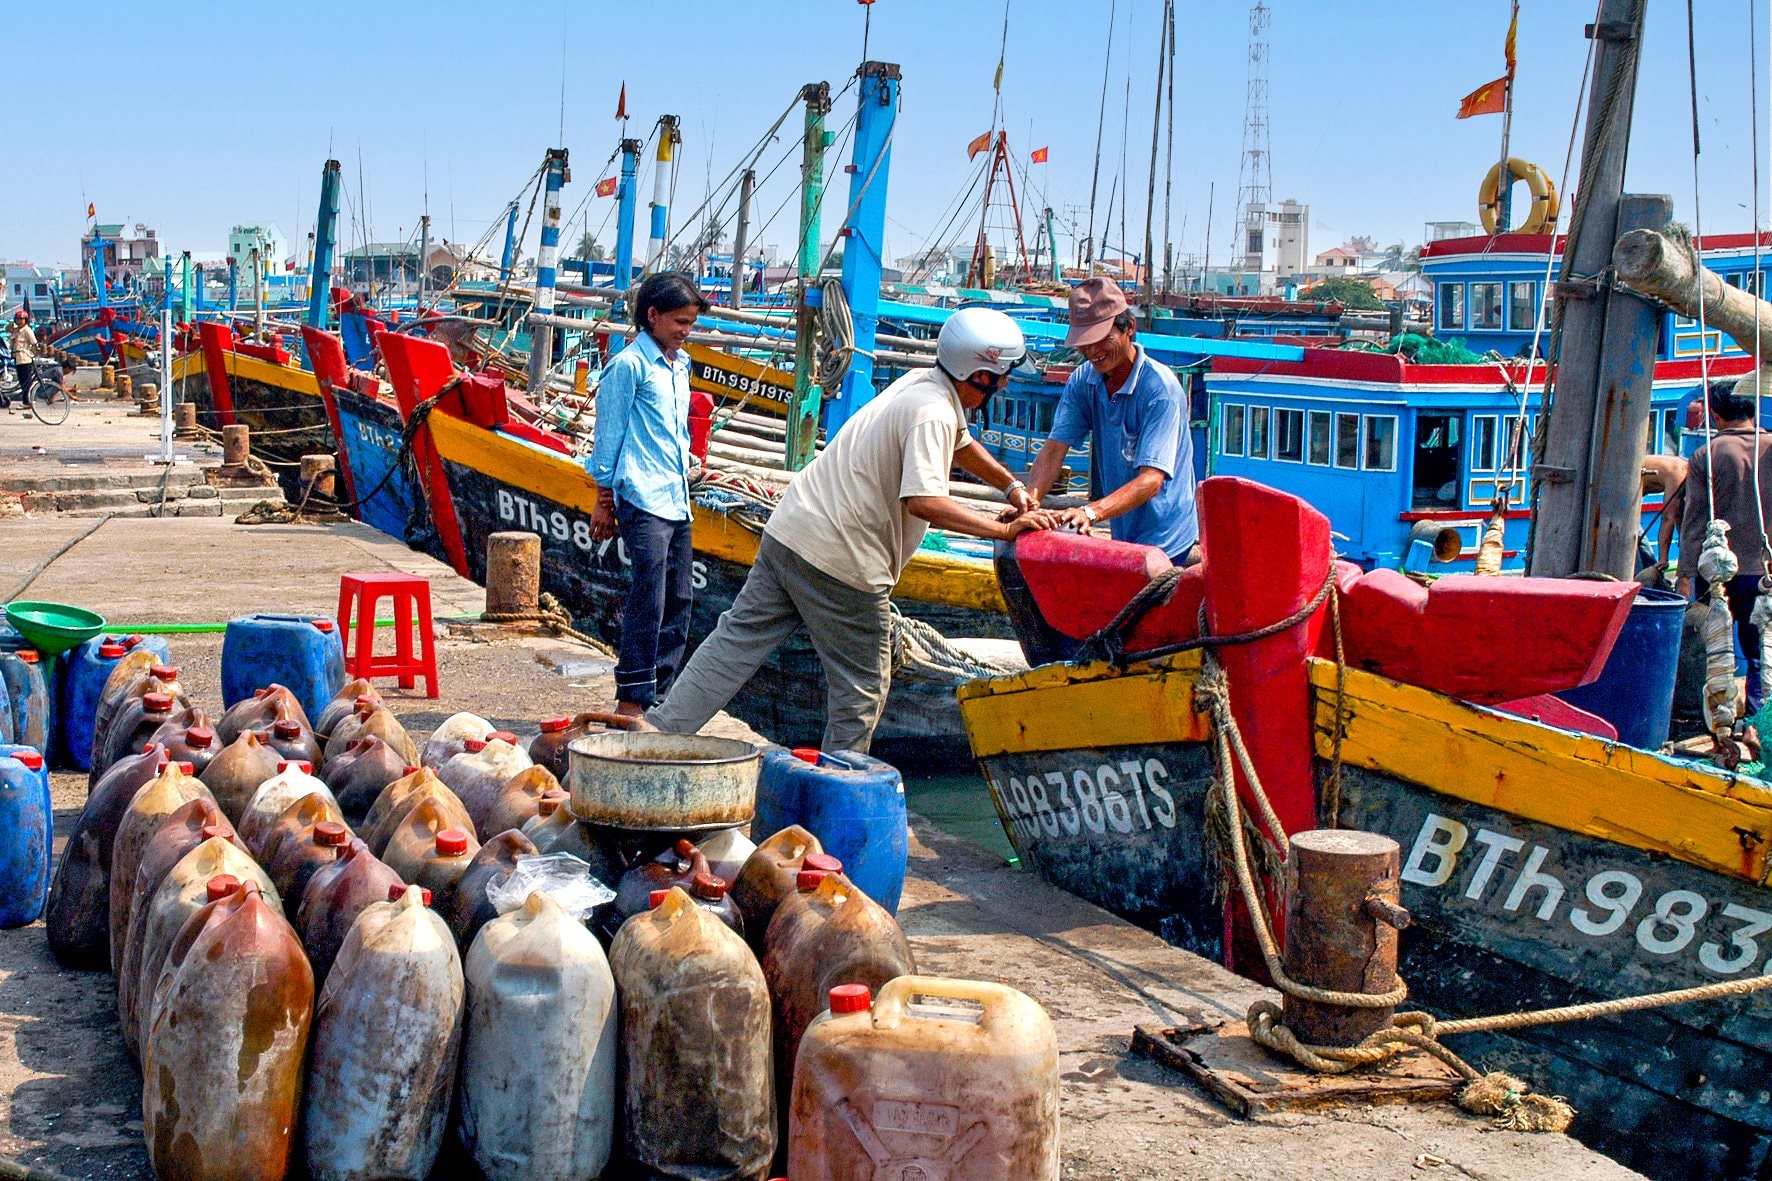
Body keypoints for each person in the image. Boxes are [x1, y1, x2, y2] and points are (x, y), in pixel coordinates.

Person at [639, 307, 1057, 753]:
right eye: (1005, 374)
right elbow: (923, 501)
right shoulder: (933, 411)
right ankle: (838, 788)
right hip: (844, 562)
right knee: (862, 691)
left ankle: (656, 736)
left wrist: (1010, 486)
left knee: (734, 643)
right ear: (981, 375)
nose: (1009, 383)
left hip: (791, 531)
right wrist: (1002, 531)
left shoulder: (922, 384)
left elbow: (962, 443)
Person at [585, 272, 709, 719]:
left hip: (675, 497)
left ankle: (661, 693)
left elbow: (674, 431)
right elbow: (609, 436)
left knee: (680, 599)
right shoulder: (628, 367)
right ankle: (632, 697)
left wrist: (690, 462)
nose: (684, 331)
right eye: (679, 321)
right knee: (648, 598)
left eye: (690, 323)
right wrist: (604, 500)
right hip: (641, 497)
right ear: (652, 316)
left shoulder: (681, 365)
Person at [1023, 277, 1198, 563]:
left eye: (1102, 338)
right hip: (1124, 527)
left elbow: (1152, 480)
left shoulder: (1159, 389)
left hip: (1167, 534)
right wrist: (1030, 502)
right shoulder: (1083, 380)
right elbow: (1055, 449)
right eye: (1085, 342)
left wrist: (1090, 512)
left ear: (1129, 328)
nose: (1092, 351)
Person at [1677, 381, 1772, 712]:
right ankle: (1757, 722)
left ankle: (1719, 723)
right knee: (1761, 653)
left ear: (1715, 415)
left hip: (1715, 573)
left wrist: (1685, 573)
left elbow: (1693, 522)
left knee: (1713, 651)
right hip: (1763, 573)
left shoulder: (1707, 454)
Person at [6, 310, 37, 407]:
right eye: (18, 319)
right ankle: (25, 401)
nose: (19, 321)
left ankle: (26, 402)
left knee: (26, 382)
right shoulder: (16, 331)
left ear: (25, 320)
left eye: (21, 319)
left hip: (25, 359)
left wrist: (33, 355)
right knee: (22, 380)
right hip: (17, 359)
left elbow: (34, 343)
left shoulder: (27, 330)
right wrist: (11, 324)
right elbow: (7, 329)